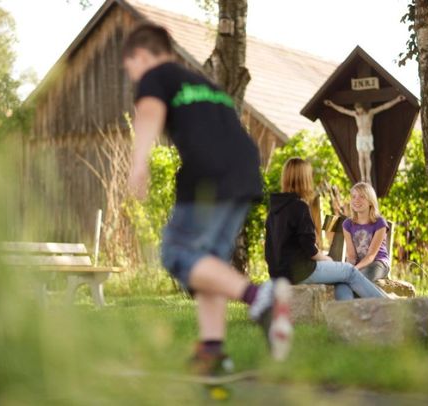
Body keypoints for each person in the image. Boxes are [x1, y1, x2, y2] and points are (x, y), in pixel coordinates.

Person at [122, 23, 292, 376]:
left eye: (130, 68)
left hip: (209, 171)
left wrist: (138, 164)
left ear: (141, 56)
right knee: (207, 265)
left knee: (177, 254)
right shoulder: (204, 83)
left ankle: (259, 297)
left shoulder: (155, 76)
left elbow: (149, 112)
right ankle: (211, 352)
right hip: (245, 168)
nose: (133, 75)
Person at [265, 157, 389, 301]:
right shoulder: (299, 207)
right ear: (304, 179)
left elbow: (269, 249)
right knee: (348, 271)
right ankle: (388, 307)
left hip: (277, 273)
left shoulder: (274, 210)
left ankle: (345, 314)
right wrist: (327, 259)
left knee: (342, 277)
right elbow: (310, 249)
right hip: (300, 272)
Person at [323, 95, 405, 184]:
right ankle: (363, 177)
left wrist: (397, 100)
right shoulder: (356, 114)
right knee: (361, 157)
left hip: (368, 137)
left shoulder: (370, 112)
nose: (358, 111)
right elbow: (343, 110)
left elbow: (384, 106)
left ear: (363, 108)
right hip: (360, 137)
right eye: (357, 109)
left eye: (359, 109)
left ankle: (368, 177)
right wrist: (332, 105)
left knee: (367, 157)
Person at [342, 182, 391, 282]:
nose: (356, 200)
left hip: (378, 263)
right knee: (344, 280)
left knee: (360, 278)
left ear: (370, 202)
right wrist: (347, 270)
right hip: (359, 264)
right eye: (354, 196)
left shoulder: (380, 223)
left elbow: (371, 256)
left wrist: (355, 269)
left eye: (362, 196)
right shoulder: (347, 224)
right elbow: (351, 256)